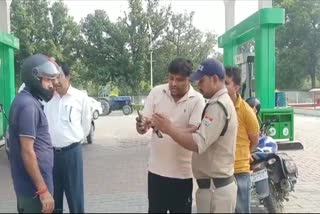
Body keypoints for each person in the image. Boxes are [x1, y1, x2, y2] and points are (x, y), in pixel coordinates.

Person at [152, 58, 238, 213]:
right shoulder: (217, 103)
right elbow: (197, 131)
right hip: (213, 189)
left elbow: (198, 143)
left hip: (215, 190)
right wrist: (167, 129)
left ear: (214, 79)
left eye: (202, 80)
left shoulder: (218, 107)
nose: (199, 85)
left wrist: (170, 129)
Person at [136, 58, 205, 213]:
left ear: (189, 80)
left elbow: (194, 132)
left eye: (179, 80)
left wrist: (168, 128)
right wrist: (141, 125)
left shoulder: (197, 100)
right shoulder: (157, 92)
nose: (173, 83)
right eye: (171, 78)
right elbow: (144, 125)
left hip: (182, 175)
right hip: (156, 172)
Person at [8, 54, 61, 213]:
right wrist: (43, 191)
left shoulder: (27, 100)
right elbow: (27, 151)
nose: (52, 85)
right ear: (34, 78)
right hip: (34, 191)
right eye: (47, 80)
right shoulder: (28, 106)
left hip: (32, 188)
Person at [44, 62, 92, 213]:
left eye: (59, 76)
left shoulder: (81, 97)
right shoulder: (47, 98)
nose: (56, 81)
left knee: (75, 196)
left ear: (68, 76)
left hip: (72, 153)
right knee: (54, 196)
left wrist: (74, 140)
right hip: (51, 155)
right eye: (53, 77)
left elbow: (85, 126)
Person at [225, 67, 260, 213]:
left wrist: (244, 154)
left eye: (226, 83)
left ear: (237, 88)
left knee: (241, 210)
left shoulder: (246, 111)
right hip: (220, 171)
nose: (222, 87)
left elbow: (255, 140)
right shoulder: (215, 107)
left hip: (239, 171)